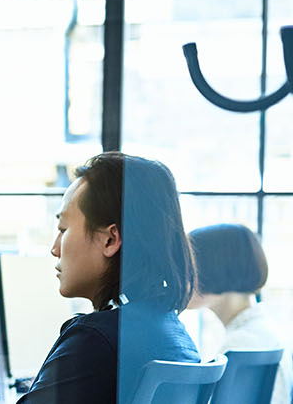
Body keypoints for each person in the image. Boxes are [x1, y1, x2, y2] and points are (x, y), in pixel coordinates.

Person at [18, 152, 199, 403]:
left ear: (110, 240)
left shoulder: (94, 342)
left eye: (63, 230)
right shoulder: (174, 334)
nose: (55, 249)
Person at [187, 223, 289, 404]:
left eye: (189, 267)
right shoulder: (263, 331)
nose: (180, 276)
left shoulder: (242, 343)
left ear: (215, 269)